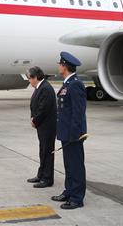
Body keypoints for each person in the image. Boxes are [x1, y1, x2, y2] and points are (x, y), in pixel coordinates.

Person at [51, 51, 87, 210]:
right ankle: (69, 191)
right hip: (66, 132)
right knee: (68, 164)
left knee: (76, 165)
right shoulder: (67, 83)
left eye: (60, 64)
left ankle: (77, 198)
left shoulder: (76, 84)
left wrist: (75, 134)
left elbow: (78, 112)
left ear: (64, 66)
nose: (59, 66)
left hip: (73, 134)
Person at [27, 66, 57, 188]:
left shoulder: (45, 88)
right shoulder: (40, 87)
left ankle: (47, 179)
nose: (29, 81)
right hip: (42, 125)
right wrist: (33, 118)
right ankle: (41, 174)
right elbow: (35, 105)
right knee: (42, 151)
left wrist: (35, 120)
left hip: (47, 126)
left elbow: (43, 109)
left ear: (35, 77)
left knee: (47, 152)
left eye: (30, 78)